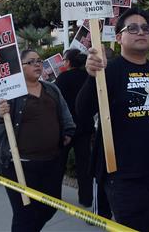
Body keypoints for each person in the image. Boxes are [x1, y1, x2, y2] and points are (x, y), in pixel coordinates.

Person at [78, 8, 149, 232]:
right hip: (122, 176)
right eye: (132, 28)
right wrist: (91, 77)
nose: (140, 32)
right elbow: (83, 112)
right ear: (118, 38)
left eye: (145, 28)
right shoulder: (108, 71)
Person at [0, 49, 75, 232]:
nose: (37, 64)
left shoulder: (52, 89)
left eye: (39, 61)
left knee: (50, 206)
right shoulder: (7, 95)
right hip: (19, 167)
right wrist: (0, 117)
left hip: (51, 164)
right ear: (20, 67)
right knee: (24, 215)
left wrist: (68, 132)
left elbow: (66, 116)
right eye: (31, 61)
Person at [55, 48, 94, 208]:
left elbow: (55, 103)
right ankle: (86, 199)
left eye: (64, 60)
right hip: (85, 128)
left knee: (58, 165)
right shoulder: (88, 77)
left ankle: (54, 198)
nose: (62, 63)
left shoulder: (62, 79)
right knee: (85, 167)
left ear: (69, 62)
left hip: (66, 130)